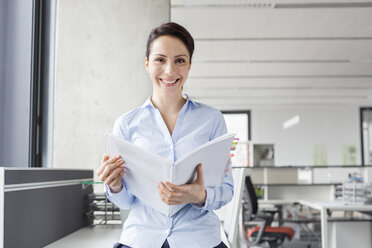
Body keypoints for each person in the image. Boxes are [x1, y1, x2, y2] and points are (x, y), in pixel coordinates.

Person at [97, 22, 234, 248]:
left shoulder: (212, 120)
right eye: (160, 60)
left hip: (199, 239)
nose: (169, 70)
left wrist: (200, 196)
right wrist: (114, 186)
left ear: (189, 65)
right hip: (141, 238)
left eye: (180, 60)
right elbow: (126, 202)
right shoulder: (126, 124)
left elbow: (226, 190)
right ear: (147, 64)